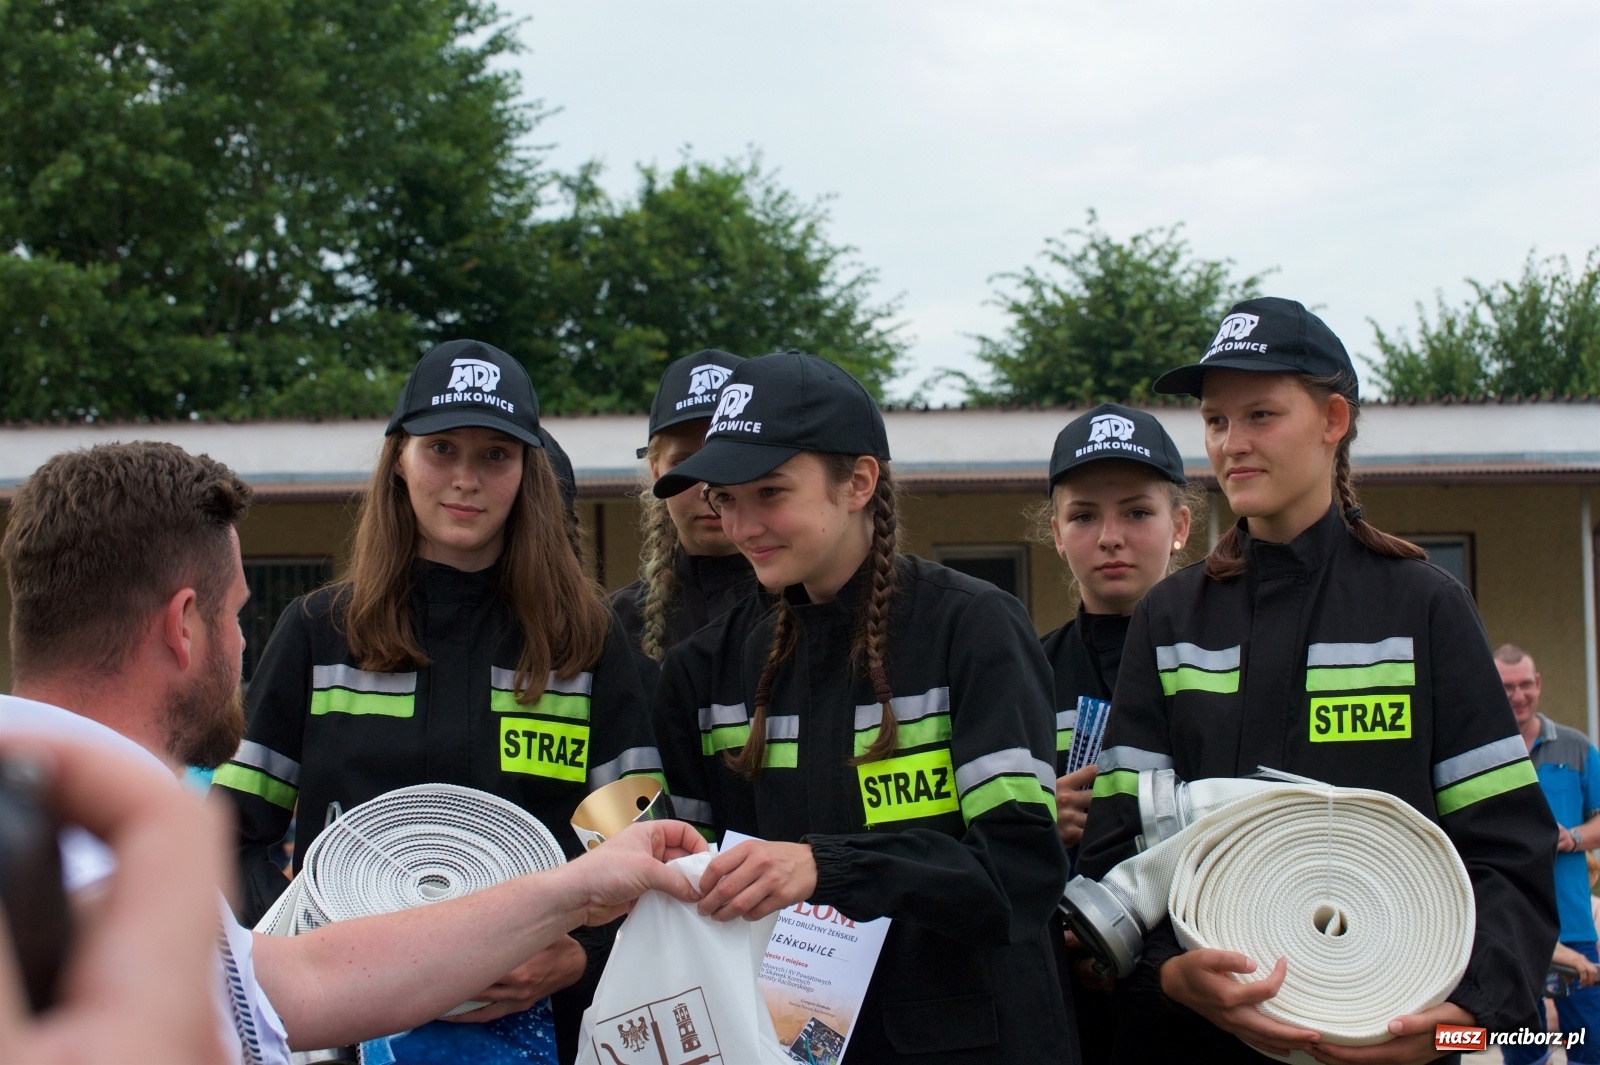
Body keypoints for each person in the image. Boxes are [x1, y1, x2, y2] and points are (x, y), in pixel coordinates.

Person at [0, 440, 705, 1065]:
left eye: (495, 454)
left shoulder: (588, 643)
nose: (246, 642)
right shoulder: (104, 874)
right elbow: (278, 943)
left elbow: (298, 978)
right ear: (186, 624)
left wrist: (574, 937)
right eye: (238, 613)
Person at [1076, 297, 1559, 1065]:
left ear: (1333, 419)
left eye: (1261, 414)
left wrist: (1457, 1028)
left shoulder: (1425, 606)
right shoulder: (1171, 617)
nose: (1232, 443)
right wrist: (1170, 972)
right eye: (1215, 421)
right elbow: (1115, 851)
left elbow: (1512, 860)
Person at [212, 340, 664, 1064]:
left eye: (494, 455)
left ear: (528, 472)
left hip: (535, 1027)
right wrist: (309, 943)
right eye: (442, 448)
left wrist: (580, 954)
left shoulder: (584, 642)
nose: (465, 479)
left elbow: (639, 844)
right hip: (346, 1031)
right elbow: (228, 833)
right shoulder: (318, 633)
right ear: (399, 459)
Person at [650, 351, 1077, 1063]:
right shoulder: (703, 670)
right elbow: (693, 895)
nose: (742, 523)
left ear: (858, 481)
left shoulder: (974, 628)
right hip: (786, 1044)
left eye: (770, 492)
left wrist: (829, 865)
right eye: (725, 497)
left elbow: (1019, 876)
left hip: (978, 1039)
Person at [1034, 402, 1197, 1061]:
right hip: (1065, 1004)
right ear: (1056, 531)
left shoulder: (1227, 662)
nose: (1110, 536)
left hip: (1199, 990)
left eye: (1137, 511)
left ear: (1180, 525)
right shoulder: (1023, 671)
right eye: (1083, 515)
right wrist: (1037, 817)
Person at [611, 349, 757, 661]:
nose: (708, 489)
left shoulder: (812, 603)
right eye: (685, 463)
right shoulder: (613, 623)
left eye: (727, 459)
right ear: (655, 472)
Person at [1497, 643, 1600, 1065]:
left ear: (1538, 685)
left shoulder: (1577, 749)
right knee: (1523, 1055)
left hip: (1573, 927)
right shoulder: (1486, 755)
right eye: (1506, 688)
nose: (1518, 696)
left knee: (1589, 1049)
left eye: (1525, 685)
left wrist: (1572, 837)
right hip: (1511, 932)